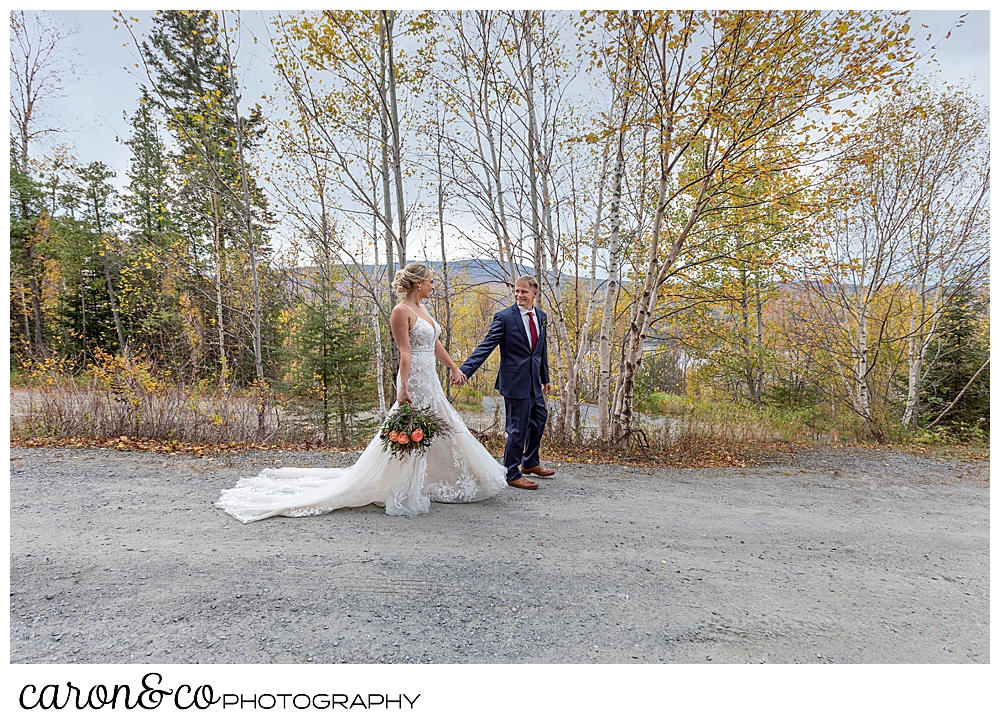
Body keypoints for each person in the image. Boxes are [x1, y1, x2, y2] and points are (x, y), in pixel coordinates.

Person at [215, 263, 507, 521]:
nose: (434, 285)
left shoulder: (424, 310)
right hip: (414, 377)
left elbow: (434, 343)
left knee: (439, 426)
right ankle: (400, 484)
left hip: (430, 375)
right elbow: (405, 352)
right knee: (411, 429)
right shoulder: (400, 311)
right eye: (431, 281)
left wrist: (454, 368)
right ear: (418, 283)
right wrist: (402, 388)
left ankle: (432, 478)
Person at [460, 274, 554, 490]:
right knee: (517, 428)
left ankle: (529, 463)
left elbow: (541, 350)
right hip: (514, 381)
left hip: (534, 381)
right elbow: (486, 346)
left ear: (534, 294)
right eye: (516, 291)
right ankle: (512, 472)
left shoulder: (541, 316)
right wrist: (465, 370)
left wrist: (545, 377)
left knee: (539, 419)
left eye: (523, 292)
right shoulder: (504, 317)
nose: (519, 295)